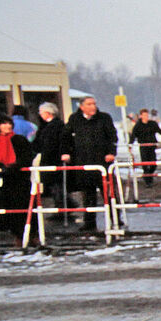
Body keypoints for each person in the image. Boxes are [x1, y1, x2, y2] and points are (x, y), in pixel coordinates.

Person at [62, 96, 118, 232]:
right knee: (87, 194)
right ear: (81, 106)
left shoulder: (104, 118)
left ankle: (115, 218)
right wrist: (66, 153)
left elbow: (112, 137)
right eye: (89, 104)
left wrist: (111, 153)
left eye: (94, 103)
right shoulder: (74, 119)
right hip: (83, 162)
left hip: (102, 162)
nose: (93, 106)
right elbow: (66, 137)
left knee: (109, 192)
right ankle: (89, 222)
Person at [0, 113, 35, 241]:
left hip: (18, 179)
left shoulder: (19, 140)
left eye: (9, 123)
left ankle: (28, 235)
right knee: (4, 209)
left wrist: (14, 166)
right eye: (4, 123)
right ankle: (13, 234)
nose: (8, 126)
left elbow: (27, 156)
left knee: (22, 208)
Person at [32, 102, 69, 221]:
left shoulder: (56, 126)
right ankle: (64, 205)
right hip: (48, 158)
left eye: (41, 112)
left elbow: (61, 141)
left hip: (53, 159)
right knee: (53, 185)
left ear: (48, 113)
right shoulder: (46, 126)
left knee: (56, 185)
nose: (40, 114)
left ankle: (62, 208)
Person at [129, 108, 161, 186]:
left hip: (152, 146)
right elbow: (133, 136)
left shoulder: (152, 124)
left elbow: (160, 131)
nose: (146, 117)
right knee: (145, 164)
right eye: (144, 115)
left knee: (153, 164)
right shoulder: (138, 126)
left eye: (147, 115)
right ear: (141, 116)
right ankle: (148, 181)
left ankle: (149, 175)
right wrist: (130, 145)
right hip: (143, 147)